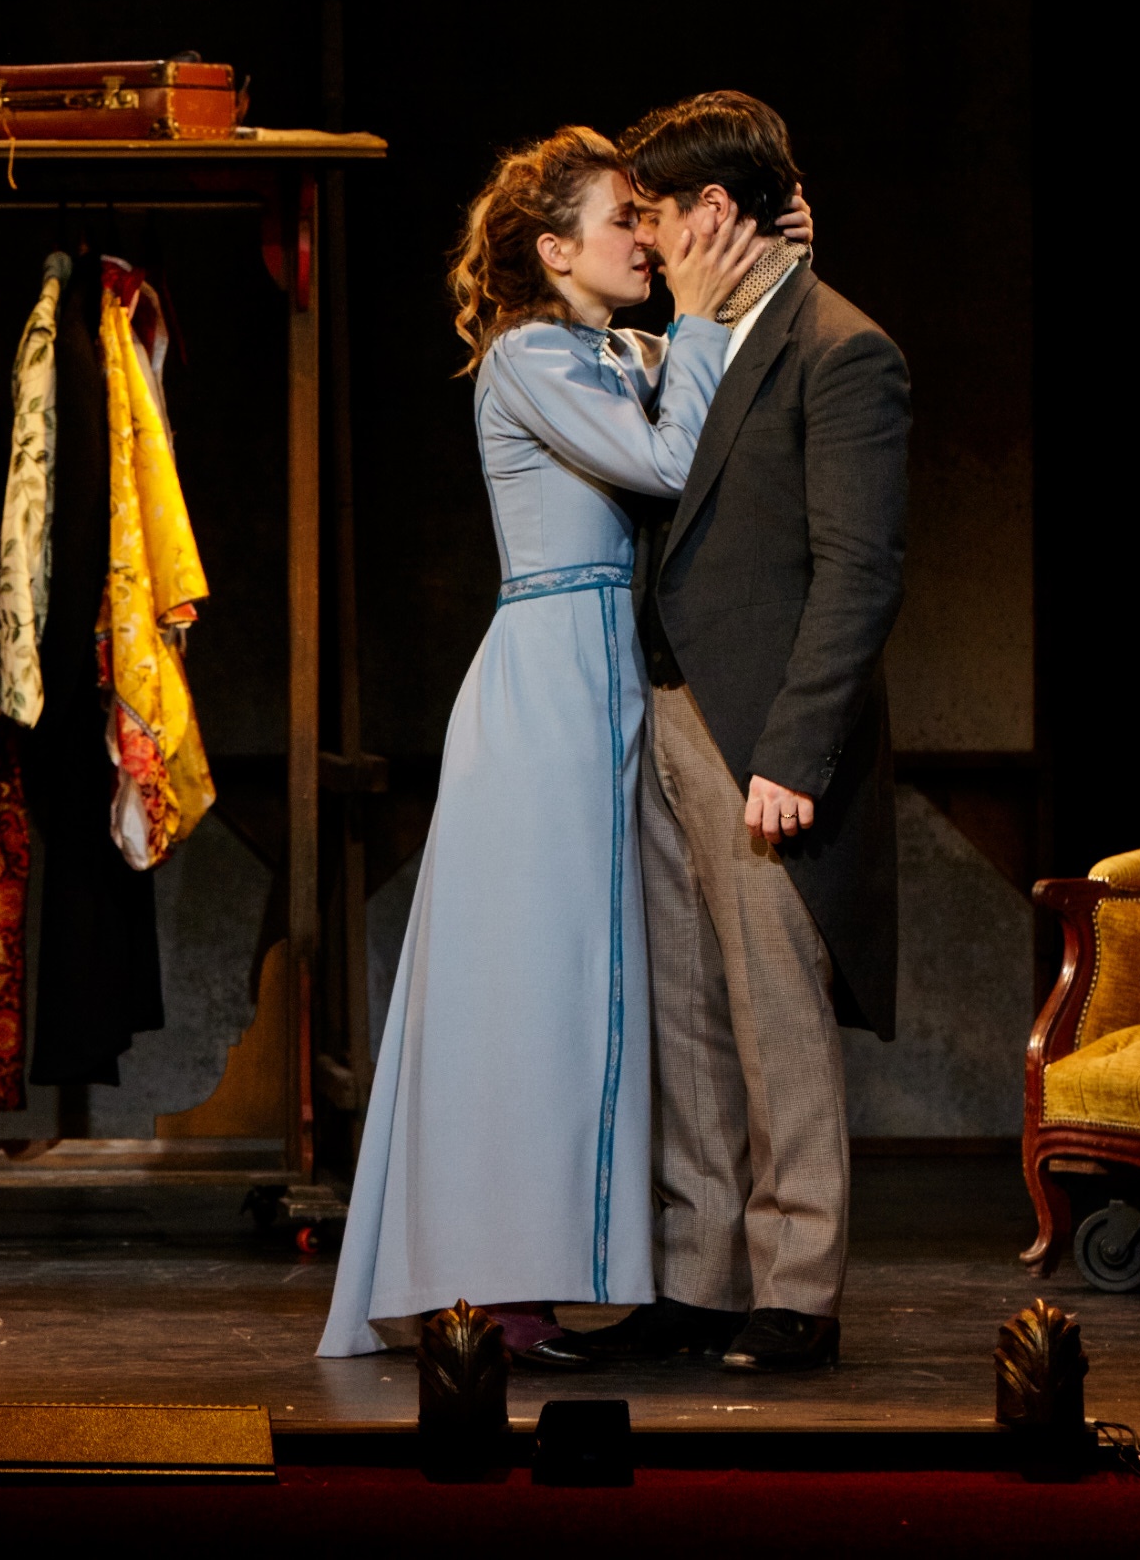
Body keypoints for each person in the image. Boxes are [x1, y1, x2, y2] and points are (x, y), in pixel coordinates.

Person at [316, 126, 794, 1357]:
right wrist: (701, 313)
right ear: (554, 250)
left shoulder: (617, 348)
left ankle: (543, 1264)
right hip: (546, 680)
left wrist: (768, 269)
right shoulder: (528, 355)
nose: (645, 239)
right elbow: (671, 459)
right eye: (624, 219)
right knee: (526, 980)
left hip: (609, 672)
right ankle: (484, 1275)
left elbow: (721, 384)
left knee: (592, 986)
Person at [536, 90, 911, 1374]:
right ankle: (699, 1280)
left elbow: (858, 573)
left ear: (709, 209)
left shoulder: (840, 349)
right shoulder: (685, 337)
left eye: (651, 211)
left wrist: (792, 755)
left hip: (754, 730)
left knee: (774, 1012)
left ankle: (797, 1287)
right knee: (686, 1011)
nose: (638, 236)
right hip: (659, 707)